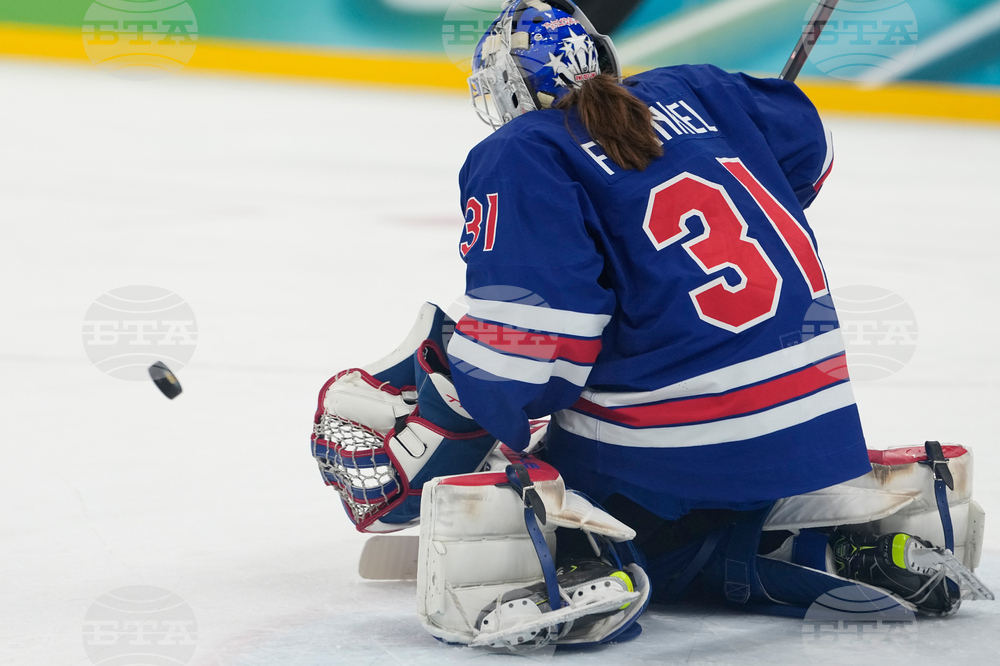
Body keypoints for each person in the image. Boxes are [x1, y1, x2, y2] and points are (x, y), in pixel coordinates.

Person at [311, 0, 988, 650]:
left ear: (507, 91)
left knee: (550, 490)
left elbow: (539, 347)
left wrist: (452, 413)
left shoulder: (522, 152)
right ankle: (818, 538)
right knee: (680, 462)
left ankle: (578, 562)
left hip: (680, 448)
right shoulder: (701, 88)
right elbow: (808, 145)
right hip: (817, 432)